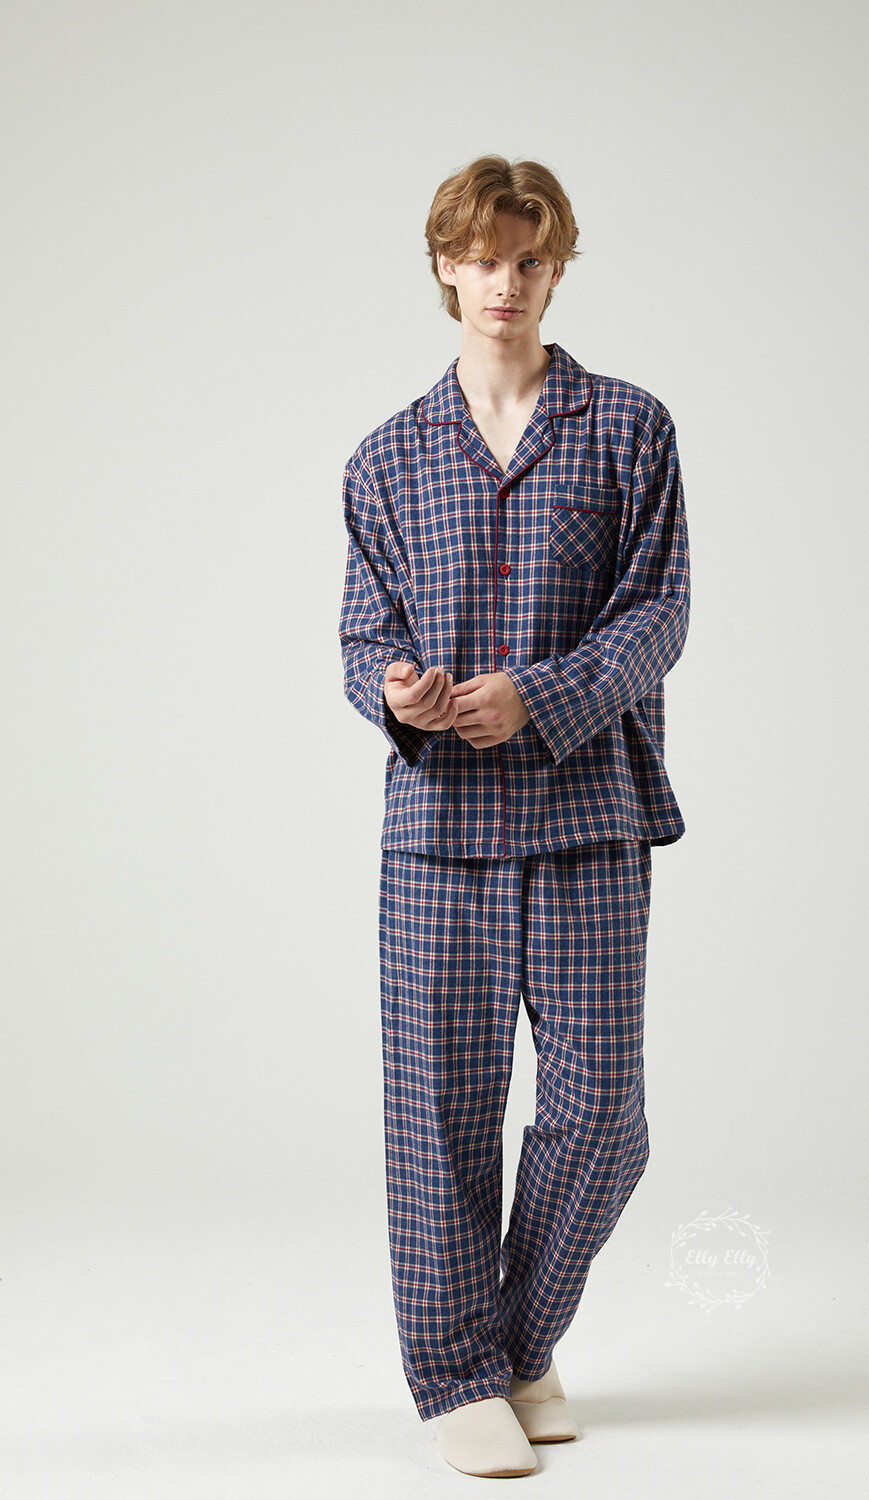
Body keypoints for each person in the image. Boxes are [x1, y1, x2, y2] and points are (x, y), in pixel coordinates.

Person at [338, 154, 691, 1478]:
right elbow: (362, 632)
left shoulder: (629, 429)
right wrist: (397, 692)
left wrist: (538, 698)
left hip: (590, 817)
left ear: (558, 267)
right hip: (437, 836)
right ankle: (458, 1380)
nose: (505, 281)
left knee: (603, 1117)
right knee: (438, 1115)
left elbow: (659, 614)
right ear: (444, 266)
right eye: (482, 257)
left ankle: (514, 1342)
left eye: (528, 258)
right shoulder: (386, 459)